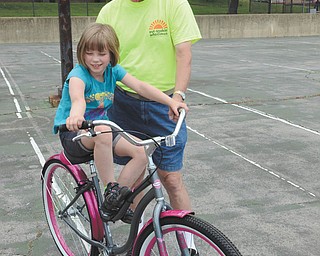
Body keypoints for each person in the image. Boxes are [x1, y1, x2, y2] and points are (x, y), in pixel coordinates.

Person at [53, 23, 188, 223]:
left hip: (102, 131)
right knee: (104, 129)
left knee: (143, 150)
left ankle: (115, 199)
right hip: (74, 133)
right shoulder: (78, 76)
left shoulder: (113, 71)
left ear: (111, 54)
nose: (96, 59)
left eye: (102, 54)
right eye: (89, 53)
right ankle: (111, 189)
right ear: (82, 53)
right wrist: (76, 117)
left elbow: (141, 87)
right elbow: (78, 100)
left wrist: (172, 101)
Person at [96, 0, 201, 231]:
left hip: (165, 104)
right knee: (135, 177)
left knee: (171, 179)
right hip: (123, 102)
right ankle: (140, 241)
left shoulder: (174, 4)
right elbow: (98, 58)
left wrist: (179, 96)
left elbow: (184, 54)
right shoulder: (110, 10)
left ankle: (189, 245)